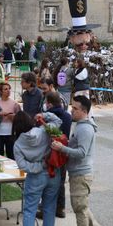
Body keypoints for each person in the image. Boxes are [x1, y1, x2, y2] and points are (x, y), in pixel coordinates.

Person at [51, 96, 98, 226]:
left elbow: (82, 153)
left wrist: (62, 148)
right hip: (79, 173)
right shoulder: (81, 126)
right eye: (72, 107)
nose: (72, 111)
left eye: (75, 108)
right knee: (82, 207)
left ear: (84, 111)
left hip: (80, 175)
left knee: (79, 209)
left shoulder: (85, 129)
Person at [13, 111, 62, 226]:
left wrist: (38, 166)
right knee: (49, 208)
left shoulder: (18, 144)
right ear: (30, 120)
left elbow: (22, 165)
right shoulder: (43, 130)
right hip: (52, 172)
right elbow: (58, 121)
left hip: (35, 176)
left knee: (30, 210)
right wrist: (44, 115)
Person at [44, 91, 72, 219]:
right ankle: (61, 208)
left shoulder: (50, 116)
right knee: (61, 182)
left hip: (51, 152)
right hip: (63, 152)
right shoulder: (67, 116)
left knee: (49, 181)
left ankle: (47, 207)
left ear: (48, 103)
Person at [0, 83, 21, 158]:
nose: (8, 91)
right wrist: (0, 113)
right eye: (5, 89)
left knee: (11, 155)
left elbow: (20, 118)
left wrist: (12, 116)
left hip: (11, 133)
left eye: (9, 89)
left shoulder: (14, 103)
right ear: (0, 91)